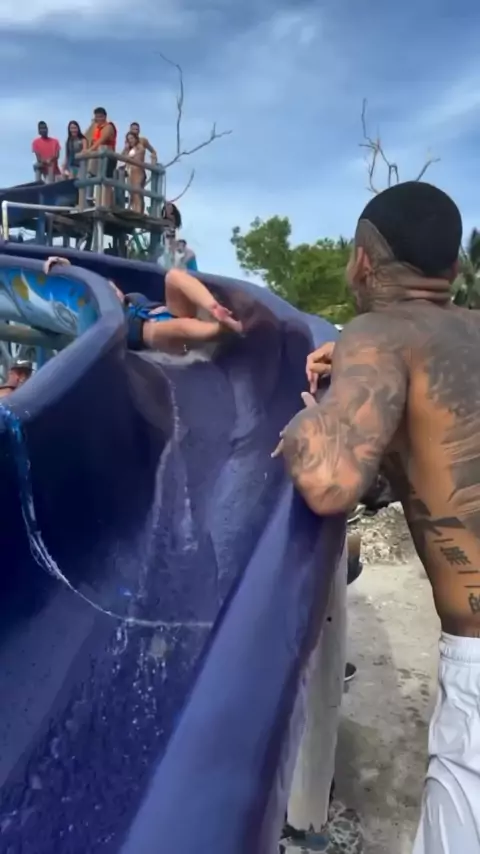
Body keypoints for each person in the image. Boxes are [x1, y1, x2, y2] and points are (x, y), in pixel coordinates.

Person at [276, 180, 480, 854]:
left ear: (362, 262)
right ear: (453, 268)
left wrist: (313, 414)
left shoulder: (378, 333)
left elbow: (330, 480)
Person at [43, 258, 242, 351]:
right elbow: (79, 286)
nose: (114, 291)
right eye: (109, 290)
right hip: (165, 340)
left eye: (113, 287)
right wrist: (65, 266)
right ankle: (219, 329)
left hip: (170, 314)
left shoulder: (133, 299)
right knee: (168, 327)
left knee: (173, 276)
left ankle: (214, 307)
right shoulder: (108, 318)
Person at [85, 107, 117, 206]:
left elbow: (102, 139)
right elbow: (87, 138)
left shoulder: (108, 126)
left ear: (104, 117)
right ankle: (92, 200)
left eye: (100, 117)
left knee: (106, 182)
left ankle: (106, 204)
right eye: (96, 117)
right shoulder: (96, 127)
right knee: (92, 176)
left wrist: (90, 150)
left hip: (108, 156)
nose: (98, 119)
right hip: (97, 157)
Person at [121, 131, 146, 214]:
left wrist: (130, 157)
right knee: (132, 193)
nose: (130, 140)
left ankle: (139, 211)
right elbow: (122, 156)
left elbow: (141, 152)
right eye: (128, 139)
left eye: (132, 138)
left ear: (135, 138)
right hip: (130, 171)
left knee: (137, 192)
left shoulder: (139, 146)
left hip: (138, 171)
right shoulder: (130, 149)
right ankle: (134, 209)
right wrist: (126, 148)